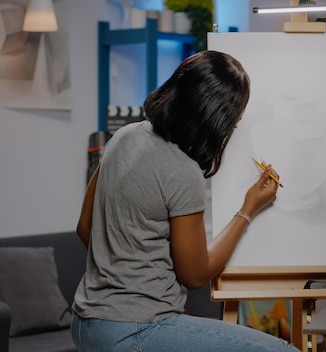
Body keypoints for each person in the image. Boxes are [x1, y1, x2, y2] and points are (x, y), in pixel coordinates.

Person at [72, 50, 298, 352]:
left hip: (86, 323)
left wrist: (148, 293)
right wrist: (248, 209)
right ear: (214, 120)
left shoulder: (122, 136)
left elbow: (85, 228)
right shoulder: (182, 170)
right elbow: (194, 275)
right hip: (133, 329)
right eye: (232, 124)